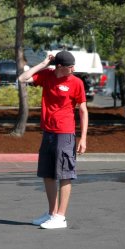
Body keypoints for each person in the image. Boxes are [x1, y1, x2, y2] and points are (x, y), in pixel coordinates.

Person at [18, 51, 88, 229]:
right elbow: (22, 78)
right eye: (69, 67)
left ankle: (61, 217)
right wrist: (43, 64)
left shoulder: (76, 82)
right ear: (59, 67)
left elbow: (83, 110)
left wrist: (83, 137)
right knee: (48, 174)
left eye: (73, 66)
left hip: (65, 132)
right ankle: (51, 213)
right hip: (48, 132)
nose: (73, 69)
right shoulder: (47, 76)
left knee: (65, 174)